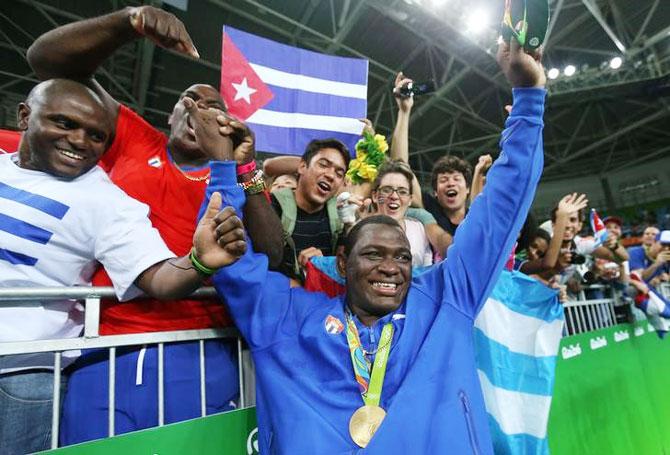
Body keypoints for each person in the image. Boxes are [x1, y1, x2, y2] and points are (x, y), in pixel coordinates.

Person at [207, 37, 546, 453]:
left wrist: (529, 99)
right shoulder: (290, 319)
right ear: (343, 263)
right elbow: (229, 256)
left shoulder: (445, 300)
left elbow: (500, 212)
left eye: (403, 256)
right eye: (374, 254)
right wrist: (226, 170)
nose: (393, 267)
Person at [24, 5, 283, 445]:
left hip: (204, 347)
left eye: (213, 109)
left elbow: (273, 254)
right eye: (190, 103)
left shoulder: (235, 173)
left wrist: (244, 167)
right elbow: (49, 66)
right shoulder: (131, 138)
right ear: (170, 116)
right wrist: (127, 23)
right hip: (108, 347)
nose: (200, 112)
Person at [0, 78, 244, 454]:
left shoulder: (108, 201)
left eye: (97, 135)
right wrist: (128, 21)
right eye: (64, 123)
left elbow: (161, 279)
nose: (80, 140)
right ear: (24, 117)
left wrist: (198, 261)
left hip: (23, 372)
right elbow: (51, 58)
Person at [389, 72, 472, 236]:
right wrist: (404, 112)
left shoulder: (477, 219)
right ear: (435, 192)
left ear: (468, 189)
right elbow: (400, 166)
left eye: (456, 178)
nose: (450, 183)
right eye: (443, 180)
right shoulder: (428, 208)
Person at [270, 138, 350, 280]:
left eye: (339, 173)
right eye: (323, 165)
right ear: (302, 167)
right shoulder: (273, 204)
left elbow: (346, 272)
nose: (330, 175)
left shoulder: (340, 216)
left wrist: (326, 265)